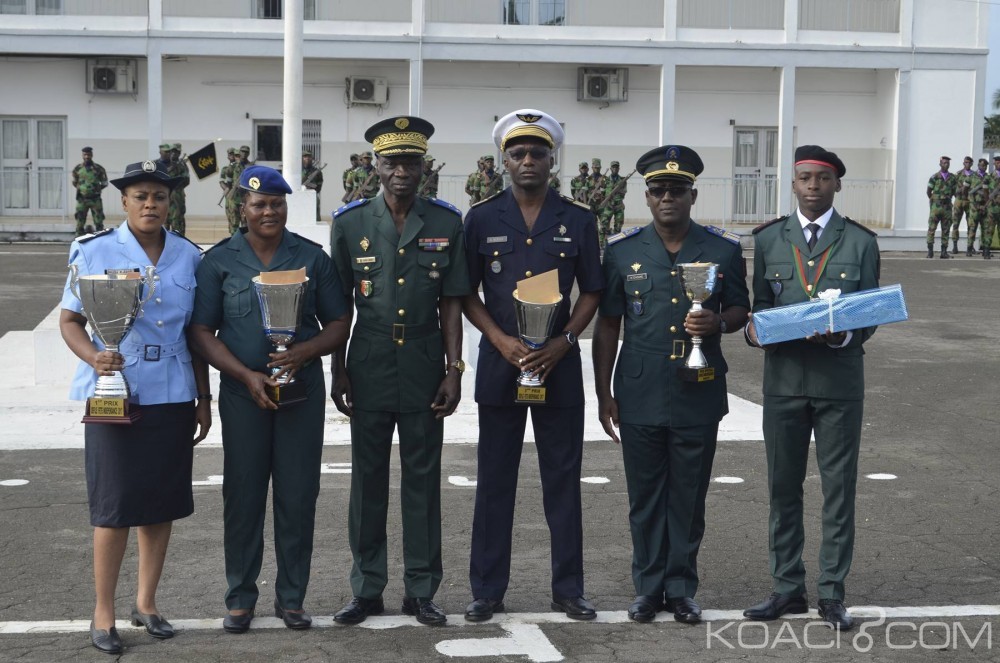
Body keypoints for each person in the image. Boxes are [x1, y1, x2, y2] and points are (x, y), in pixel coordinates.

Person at [188, 165, 350, 634]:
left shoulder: (312, 258)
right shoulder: (219, 261)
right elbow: (201, 330)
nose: (269, 211)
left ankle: (292, 597)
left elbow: (339, 322)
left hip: (301, 393)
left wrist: (301, 352)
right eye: (259, 204)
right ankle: (240, 598)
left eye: (277, 203)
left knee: (298, 496)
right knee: (243, 495)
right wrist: (242, 374)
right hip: (243, 394)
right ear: (243, 208)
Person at [59, 159, 212, 654]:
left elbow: (197, 334)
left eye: (160, 197)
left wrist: (203, 398)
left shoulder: (189, 257)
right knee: (113, 506)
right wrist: (94, 359)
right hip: (113, 391)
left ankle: (146, 603)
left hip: (172, 390)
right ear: (123, 202)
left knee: (159, 503)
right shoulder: (95, 249)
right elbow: (70, 321)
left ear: (170, 203)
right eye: (141, 196)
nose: (151, 204)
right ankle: (103, 611)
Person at [592, 145, 749, 625]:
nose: (667, 198)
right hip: (638, 389)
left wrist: (718, 324)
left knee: (688, 494)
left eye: (677, 190)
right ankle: (647, 588)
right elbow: (608, 326)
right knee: (644, 496)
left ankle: (680, 588)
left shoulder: (722, 250)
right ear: (647, 195)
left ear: (692, 194)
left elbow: (742, 309)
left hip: (698, 388)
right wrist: (603, 394)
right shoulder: (622, 251)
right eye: (658, 190)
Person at [462, 109, 604, 622]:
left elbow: (592, 289)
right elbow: (465, 293)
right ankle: (487, 590)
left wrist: (566, 341)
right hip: (503, 366)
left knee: (562, 481)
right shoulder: (480, 218)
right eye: (518, 153)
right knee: (495, 480)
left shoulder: (578, 218)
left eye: (537, 153)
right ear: (505, 160)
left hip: (558, 366)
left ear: (552, 160)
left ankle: (568, 588)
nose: (527, 161)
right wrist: (499, 340)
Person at [330, 116, 470, 627]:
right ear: (376, 165)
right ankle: (366, 588)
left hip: (423, 363)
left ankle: (421, 589)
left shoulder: (446, 223)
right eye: (392, 162)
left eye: (411, 162)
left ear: (425, 167)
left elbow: (452, 305)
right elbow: (339, 306)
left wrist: (454, 370)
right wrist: (337, 368)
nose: (402, 171)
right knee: (367, 481)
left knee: (422, 479)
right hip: (366, 365)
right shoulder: (349, 223)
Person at [743, 145, 880, 632]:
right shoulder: (769, 240)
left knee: (838, 490)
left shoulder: (861, 242)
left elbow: (869, 315)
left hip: (839, 382)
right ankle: (786, 587)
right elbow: (758, 306)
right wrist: (753, 331)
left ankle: (831, 593)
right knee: (783, 487)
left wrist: (842, 332)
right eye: (804, 178)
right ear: (793, 184)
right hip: (783, 382)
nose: (813, 187)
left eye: (823, 179)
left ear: (837, 185)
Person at [71, 146, 109, 236]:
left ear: (92, 155)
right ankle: (78, 240)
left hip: (95, 199)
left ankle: (100, 240)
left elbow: (104, 183)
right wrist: (83, 189)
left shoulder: (99, 169)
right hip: (82, 199)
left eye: (88, 154)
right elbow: (74, 182)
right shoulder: (78, 169)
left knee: (99, 222)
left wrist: (95, 189)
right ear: (82, 155)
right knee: (80, 221)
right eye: (85, 155)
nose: (87, 157)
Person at [926, 156, 956, 259]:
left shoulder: (952, 178)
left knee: (946, 229)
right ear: (940, 164)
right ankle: (930, 251)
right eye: (944, 163)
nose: (946, 164)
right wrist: (934, 200)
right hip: (936, 207)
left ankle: (944, 251)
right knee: (932, 228)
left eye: (948, 163)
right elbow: (928, 191)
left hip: (947, 207)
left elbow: (955, 191)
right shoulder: (934, 177)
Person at [951, 156, 975, 256]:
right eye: (965, 162)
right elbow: (952, 187)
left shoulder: (974, 175)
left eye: (969, 162)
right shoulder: (958, 174)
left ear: (972, 164)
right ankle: (955, 245)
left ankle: (970, 246)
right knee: (955, 223)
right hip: (959, 201)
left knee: (971, 224)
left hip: (969, 202)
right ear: (963, 163)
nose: (967, 164)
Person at [967, 158, 990, 257]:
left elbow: (990, 193)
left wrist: (985, 205)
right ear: (978, 165)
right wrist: (975, 205)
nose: (983, 167)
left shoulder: (989, 178)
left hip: (985, 207)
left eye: (985, 166)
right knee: (972, 228)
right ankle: (969, 248)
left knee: (985, 229)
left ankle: (985, 250)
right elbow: (966, 192)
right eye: (981, 165)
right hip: (974, 207)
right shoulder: (971, 177)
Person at [167, 143, 190, 236]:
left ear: (179, 153)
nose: (173, 154)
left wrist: (175, 183)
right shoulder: (164, 164)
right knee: (164, 221)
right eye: (172, 151)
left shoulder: (182, 165)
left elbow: (186, 180)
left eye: (176, 152)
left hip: (177, 197)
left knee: (178, 221)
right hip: (165, 197)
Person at [603, 160, 627, 235]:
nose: (615, 169)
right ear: (610, 168)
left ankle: (616, 244)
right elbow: (602, 193)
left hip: (618, 206)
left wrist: (616, 191)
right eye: (613, 167)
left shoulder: (623, 180)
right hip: (608, 206)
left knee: (618, 227)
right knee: (604, 225)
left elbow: (623, 193)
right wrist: (608, 196)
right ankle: (604, 244)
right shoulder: (605, 180)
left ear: (619, 169)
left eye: (616, 167)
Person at [220, 148, 239, 235]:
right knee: (231, 219)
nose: (232, 156)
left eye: (234, 155)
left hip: (240, 197)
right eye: (230, 154)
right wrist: (228, 189)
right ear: (228, 156)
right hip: (230, 198)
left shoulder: (239, 168)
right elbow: (221, 182)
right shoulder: (225, 169)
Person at [301, 150, 324, 221]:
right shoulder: (297, 171)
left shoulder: (317, 172)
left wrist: (311, 187)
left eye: (309, 156)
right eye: (305, 156)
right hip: (300, 195)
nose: (307, 158)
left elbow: (319, 186)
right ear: (301, 158)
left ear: (312, 158)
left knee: (315, 215)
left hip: (312, 195)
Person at [985, 155, 1000, 260]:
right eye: (997, 162)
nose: (999, 164)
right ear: (994, 164)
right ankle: (986, 251)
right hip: (992, 208)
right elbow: (985, 191)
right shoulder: (989, 177)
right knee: (989, 230)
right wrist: (991, 199)